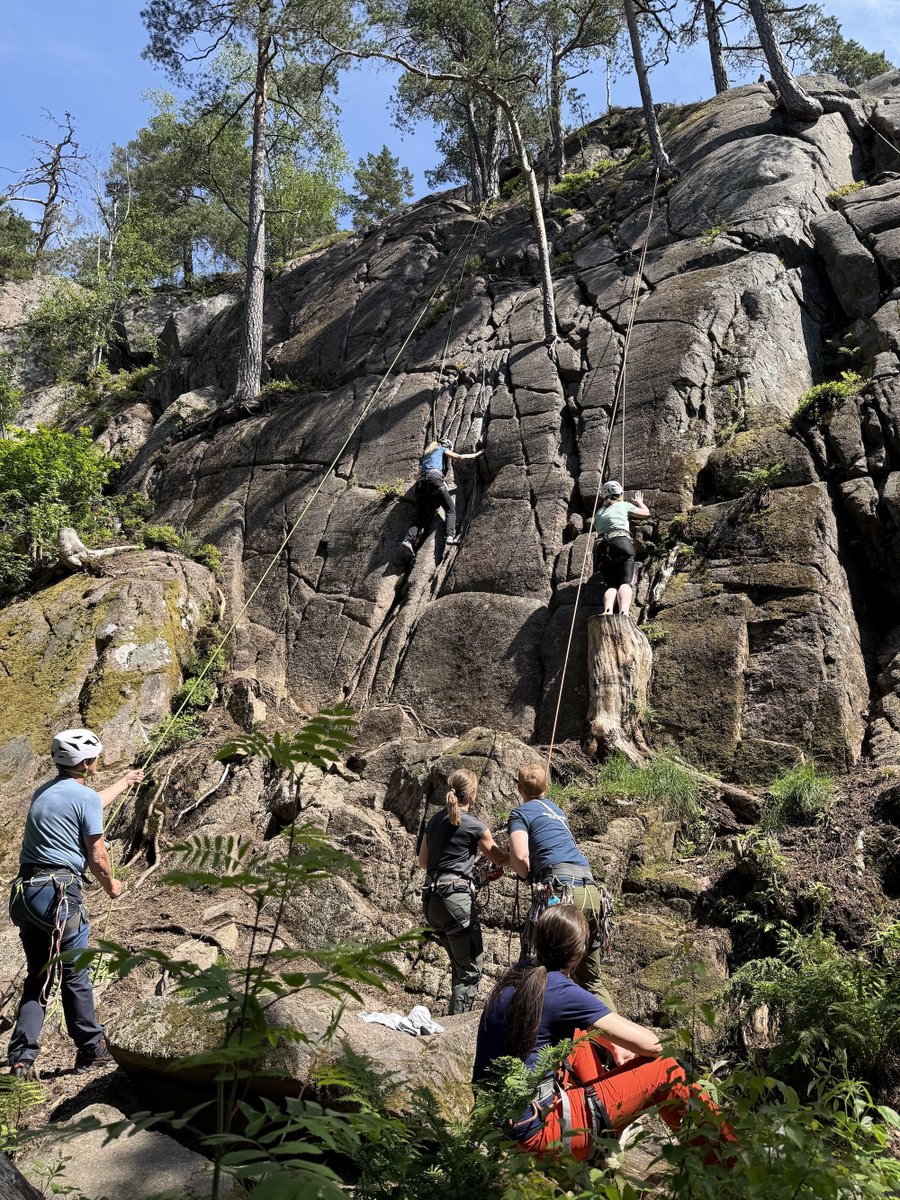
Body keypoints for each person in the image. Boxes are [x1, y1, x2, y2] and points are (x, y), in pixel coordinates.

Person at [473, 904, 734, 1164]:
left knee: (576, 1034)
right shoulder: (562, 992)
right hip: (538, 1132)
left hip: (497, 1121)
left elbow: (570, 1023)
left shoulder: (520, 974)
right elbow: (654, 1045)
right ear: (578, 953)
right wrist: (621, 1044)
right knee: (666, 1070)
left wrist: (613, 1045)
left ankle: (604, 1122)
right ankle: (731, 1165)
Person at [7, 728, 143, 1079]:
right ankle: (92, 1047)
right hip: (59, 896)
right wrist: (112, 884)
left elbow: (90, 801)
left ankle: (22, 1057)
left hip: (25, 895)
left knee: (39, 976)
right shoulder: (81, 798)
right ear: (86, 763)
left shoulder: (46, 792)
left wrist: (126, 782)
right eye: (95, 757)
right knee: (75, 973)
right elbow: (97, 854)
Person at [508, 762, 615, 1013]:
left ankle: (531, 1032)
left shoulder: (521, 813)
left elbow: (521, 857)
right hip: (591, 893)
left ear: (519, 788)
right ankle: (619, 1045)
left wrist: (525, 876)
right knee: (590, 979)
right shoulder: (558, 811)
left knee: (536, 967)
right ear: (547, 787)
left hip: (560, 893)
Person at [418, 769, 509, 1014]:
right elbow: (496, 856)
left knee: (460, 967)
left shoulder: (433, 822)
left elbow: (423, 862)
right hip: (455, 900)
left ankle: (453, 1018)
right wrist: (518, 859)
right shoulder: (475, 825)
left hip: (432, 902)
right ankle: (456, 1029)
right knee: (470, 970)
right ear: (472, 794)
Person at [400, 438, 482, 557]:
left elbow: (416, 475)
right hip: (434, 479)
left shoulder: (427, 456)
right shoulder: (442, 449)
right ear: (447, 446)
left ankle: (407, 540)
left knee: (421, 516)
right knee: (450, 509)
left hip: (420, 485)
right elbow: (460, 457)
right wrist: (478, 453)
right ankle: (449, 536)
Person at [594, 480, 650, 617]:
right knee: (625, 581)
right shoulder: (623, 505)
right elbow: (646, 513)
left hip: (602, 547)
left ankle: (607, 610)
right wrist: (639, 502)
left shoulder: (599, 513)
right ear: (620, 494)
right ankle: (624, 612)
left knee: (611, 584)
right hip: (621, 542)